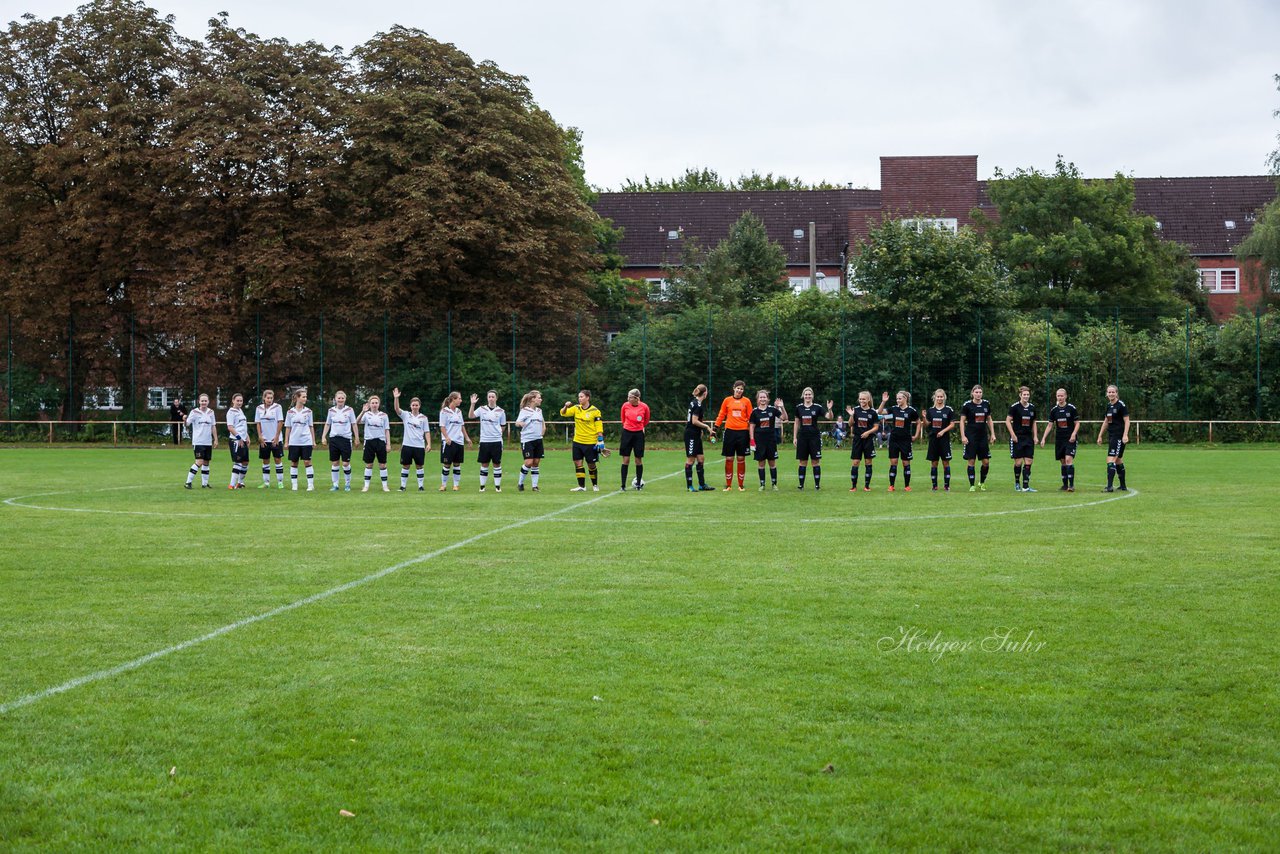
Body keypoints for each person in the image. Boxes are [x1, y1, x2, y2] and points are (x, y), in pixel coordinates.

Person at [560, 389, 606, 492]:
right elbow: (563, 413)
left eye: (582, 397)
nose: (579, 398)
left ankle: (595, 485)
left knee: (591, 464)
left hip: (590, 442)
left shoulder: (595, 411)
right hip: (577, 441)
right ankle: (582, 486)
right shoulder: (576, 408)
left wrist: (600, 440)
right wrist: (566, 406)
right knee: (577, 463)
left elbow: (599, 426)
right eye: (579, 397)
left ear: (587, 398)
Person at [714, 380, 754, 491]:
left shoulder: (747, 401)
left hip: (743, 432)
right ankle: (728, 485)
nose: (739, 390)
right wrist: (715, 428)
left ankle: (741, 485)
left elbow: (751, 417)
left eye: (741, 389)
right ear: (734, 388)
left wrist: (753, 432)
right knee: (729, 458)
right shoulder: (727, 400)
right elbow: (721, 414)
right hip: (730, 432)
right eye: (738, 388)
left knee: (741, 458)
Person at [1041, 388, 1080, 492]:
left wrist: (1073, 434)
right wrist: (1044, 438)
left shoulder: (1071, 408)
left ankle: (1071, 486)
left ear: (1066, 396)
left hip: (1070, 439)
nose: (1060, 398)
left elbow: (1077, 423)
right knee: (1062, 462)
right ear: (1056, 397)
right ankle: (1064, 485)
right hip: (1059, 440)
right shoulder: (1054, 410)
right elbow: (1050, 425)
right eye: (1058, 396)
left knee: (1068, 460)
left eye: (1062, 396)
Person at [793, 387, 832, 490]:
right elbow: (796, 423)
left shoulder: (817, 407)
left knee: (815, 462)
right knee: (802, 462)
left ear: (812, 396)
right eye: (806, 394)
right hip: (802, 438)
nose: (808, 396)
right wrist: (794, 437)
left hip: (814, 438)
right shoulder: (799, 408)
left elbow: (829, 417)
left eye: (809, 394)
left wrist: (830, 409)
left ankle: (817, 485)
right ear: (803, 396)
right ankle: (801, 485)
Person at [880, 390, 920, 492]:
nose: (898, 400)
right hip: (894, 440)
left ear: (905, 399)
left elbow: (919, 422)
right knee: (894, 462)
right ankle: (891, 486)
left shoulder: (911, 410)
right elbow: (880, 412)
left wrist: (916, 435)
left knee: (906, 463)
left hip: (906, 440)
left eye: (900, 398)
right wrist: (884, 401)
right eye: (897, 398)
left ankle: (907, 486)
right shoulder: (893, 409)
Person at [959, 384, 997, 492]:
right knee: (971, 461)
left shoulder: (986, 404)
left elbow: (989, 419)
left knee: (986, 462)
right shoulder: (967, 405)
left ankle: (982, 482)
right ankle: (972, 485)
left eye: (980, 392)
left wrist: (993, 434)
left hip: (983, 437)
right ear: (972, 393)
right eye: (976, 392)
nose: (978, 394)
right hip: (971, 437)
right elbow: (962, 421)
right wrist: (963, 436)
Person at [393, 387, 431, 491]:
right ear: (410, 406)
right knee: (405, 466)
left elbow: (427, 431)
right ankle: (403, 487)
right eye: (413, 405)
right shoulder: (406, 415)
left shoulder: (424, 418)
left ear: (419, 406)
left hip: (419, 446)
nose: (415, 407)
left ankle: (421, 487)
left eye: (416, 405)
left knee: (419, 466)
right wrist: (396, 398)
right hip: (407, 445)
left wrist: (429, 444)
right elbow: (397, 409)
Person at [469, 390, 507, 492]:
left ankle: (498, 487)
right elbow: (471, 416)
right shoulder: (482, 409)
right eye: (489, 396)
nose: (491, 398)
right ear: (487, 398)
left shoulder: (501, 411)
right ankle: (482, 486)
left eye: (493, 396)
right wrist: (472, 404)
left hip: (496, 441)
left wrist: (496, 434)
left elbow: (503, 426)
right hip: (484, 441)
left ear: (496, 398)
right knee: (484, 464)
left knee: (496, 464)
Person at [320, 390, 358, 492]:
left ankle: (347, 484)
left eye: (342, 398)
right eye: (339, 398)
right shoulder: (331, 411)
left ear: (345, 399)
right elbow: (327, 424)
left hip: (345, 439)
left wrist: (357, 438)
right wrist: (324, 436)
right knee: (335, 462)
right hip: (334, 439)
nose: (340, 400)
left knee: (345, 463)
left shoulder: (349, 410)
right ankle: (335, 485)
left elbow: (354, 424)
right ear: (335, 399)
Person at [747, 389, 785, 490]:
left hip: (771, 441)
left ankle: (774, 484)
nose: (763, 399)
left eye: (764, 397)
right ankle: (762, 485)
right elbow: (751, 427)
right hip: (759, 441)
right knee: (761, 463)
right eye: (761, 397)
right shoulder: (755, 412)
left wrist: (782, 407)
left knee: (772, 463)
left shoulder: (772, 410)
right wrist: (752, 440)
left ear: (767, 399)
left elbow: (784, 418)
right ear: (758, 399)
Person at [1096, 384, 1130, 492]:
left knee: (1111, 459)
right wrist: (1100, 435)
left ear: (1116, 393)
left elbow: (1127, 421)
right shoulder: (1108, 406)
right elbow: (1106, 421)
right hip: (1111, 436)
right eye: (1109, 392)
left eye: (1113, 392)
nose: (1111, 394)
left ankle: (1109, 487)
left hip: (1118, 436)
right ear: (1107, 394)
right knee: (1118, 460)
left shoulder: (1121, 405)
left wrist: (1125, 435)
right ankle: (1123, 486)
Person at [1006, 386, 1039, 492]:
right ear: (1020, 395)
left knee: (1029, 461)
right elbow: (1007, 421)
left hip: (1028, 438)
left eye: (1028, 395)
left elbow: (1034, 423)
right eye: (1024, 394)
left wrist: (1035, 436)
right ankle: (1017, 483)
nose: (1026, 396)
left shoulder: (1032, 408)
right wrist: (1013, 435)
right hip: (1017, 438)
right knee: (1018, 462)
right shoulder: (1015, 407)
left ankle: (1025, 486)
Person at [684, 384, 716, 492]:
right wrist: (706, 427)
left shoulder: (695, 402)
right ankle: (689, 486)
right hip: (691, 435)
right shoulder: (697, 404)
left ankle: (702, 485)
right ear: (705, 393)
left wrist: (700, 430)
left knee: (701, 459)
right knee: (690, 459)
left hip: (696, 433)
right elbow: (694, 421)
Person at [924, 389, 957, 492]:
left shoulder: (948, 410)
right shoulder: (931, 410)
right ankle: (934, 486)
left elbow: (952, 424)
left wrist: (943, 431)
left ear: (944, 397)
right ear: (935, 398)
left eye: (941, 397)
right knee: (934, 463)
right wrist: (924, 418)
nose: (939, 398)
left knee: (946, 463)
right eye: (938, 397)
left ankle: (946, 486)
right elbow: (926, 425)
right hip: (933, 440)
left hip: (944, 441)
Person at [283, 388, 316, 491]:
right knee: (294, 462)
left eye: (306, 397)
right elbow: (288, 427)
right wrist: (286, 441)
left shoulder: (309, 411)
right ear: (297, 398)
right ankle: (294, 485)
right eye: (303, 397)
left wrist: (313, 441)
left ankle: (310, 485)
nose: (305, 398)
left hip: (306, 441)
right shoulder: (290, 412)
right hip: (294, 441)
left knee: (307, 461)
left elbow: (311, 426)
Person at [846, 391, 879, 491]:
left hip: (868, 440)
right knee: (855, 462)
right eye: (860, 399)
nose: (861, 401)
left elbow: (876, 427)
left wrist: (868, 432)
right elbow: (850, 424)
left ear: (868, 399)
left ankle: (867, 486)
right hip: (857, 440)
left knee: (868, 462)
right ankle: (853, 486)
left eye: (864, 399)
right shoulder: (855, 410)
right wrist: (851, 415)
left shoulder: (873, 412)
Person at [438, 391, 472, 491]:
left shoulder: (459, 411)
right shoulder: (444, 411)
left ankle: (456, 485)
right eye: (459, 398)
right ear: (453, 399)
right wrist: (447, 437)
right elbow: (442, 426)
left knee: (457, 464)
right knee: (447, 464)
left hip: (459, 442)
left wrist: (467, 438)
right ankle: (443, 485)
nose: (461, 400)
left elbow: (462, 426)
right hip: (449, 442)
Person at [183, 393, 217, 489]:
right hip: (198, 442)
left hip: (208, 441)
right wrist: (184, 420)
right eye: (202, 401)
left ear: (208, 402)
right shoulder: (194, 412)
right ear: (199, 401)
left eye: (205, 401)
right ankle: (188, 482)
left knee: (206, 462)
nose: (204, 402)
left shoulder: (211, 412)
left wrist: (215, 439)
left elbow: (213, 426)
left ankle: (204, 484)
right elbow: (187, 424)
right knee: (199, 461)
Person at [358, 395, 391, 492]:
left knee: (382, 465)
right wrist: (363, 411)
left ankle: (385, 486)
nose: (374, 404)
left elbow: (387, 430)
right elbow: (356, 422)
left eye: (376, 403)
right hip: (369, 441)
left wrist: (388, 444)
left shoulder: (384, 415)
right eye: (372, 403)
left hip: (380, 441)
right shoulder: (366, 414)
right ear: (369, 404)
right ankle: (366, 486)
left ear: (379, 404)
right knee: (369, 464)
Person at [619, 388, 650, 491]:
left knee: (638, 459)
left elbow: (646, 421)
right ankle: (623, 485)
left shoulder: (644, 407)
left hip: (638, 435)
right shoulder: (625, 406)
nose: (628, 399)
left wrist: (638, 428)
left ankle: (638, 485)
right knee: (626, 460)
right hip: (627, 433)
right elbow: (623, 419)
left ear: (636, 398)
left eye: (630, 397)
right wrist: (629, 427)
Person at [515, 390, 546, 492]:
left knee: (536, 462)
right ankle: (520, 483)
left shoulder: (539, 411)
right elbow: (517, 422)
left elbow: (542, 421)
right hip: (527, 440)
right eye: (539, 397)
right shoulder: (525, 410)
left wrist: (543, 428)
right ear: (533, 399)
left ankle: (535, 486)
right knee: (528, 462)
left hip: (538, 439)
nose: (540, 399)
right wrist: (520, 424)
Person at [255, 389, 286, 488]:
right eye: (268, 398)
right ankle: (266, 483)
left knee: (277, 459)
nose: (269, 400)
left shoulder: (277, 407)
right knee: (265, 460)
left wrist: (277, 437)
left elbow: (280, 422)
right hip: (264, 440)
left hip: (275, 439)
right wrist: (260, 436)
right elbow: (258, 423)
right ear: (264, 398)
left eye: (271, 398)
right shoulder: (259, 408)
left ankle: (280, 482)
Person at [225, 392, 250, 489]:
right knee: (238, 462)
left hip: (243, 440)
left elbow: (242, 426)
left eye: (241, 401)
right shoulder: (231, 412)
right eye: (237, 401)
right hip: (236, 440)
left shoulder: (240, 411)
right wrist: (239, 438)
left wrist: (247, 436)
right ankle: (231, 485)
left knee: (245, 462)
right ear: (233, 401)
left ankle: (240, 483)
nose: (239, 402)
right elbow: (230, 427)